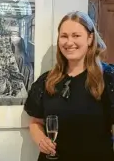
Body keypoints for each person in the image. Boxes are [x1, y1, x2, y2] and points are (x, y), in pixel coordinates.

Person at [24, 11, 114, 161]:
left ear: (90, 38)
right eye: (64, 36)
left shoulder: (108, 78)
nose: (69, 42)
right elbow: (35, 122)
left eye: (76, 35)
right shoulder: (47, 80)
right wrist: (42, 140)